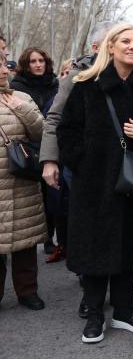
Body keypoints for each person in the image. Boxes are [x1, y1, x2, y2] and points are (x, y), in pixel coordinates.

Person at [57, 23, 133, 343]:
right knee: (94, 249)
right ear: (111, 46)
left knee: (127, 247)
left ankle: (122, 310)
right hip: (93, 184)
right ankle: (93, 313)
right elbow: (67, 130)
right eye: (125, 41)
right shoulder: (87, 84)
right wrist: (82, 163)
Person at [37, 21, 126, 319]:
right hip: (84, 169)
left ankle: (122, 296)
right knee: (90, 231)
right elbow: (54, 120)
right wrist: (51, 161)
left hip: (117, 167)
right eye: (114, 41)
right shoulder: (77, 77)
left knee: (118, 229)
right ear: (98, 47)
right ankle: (91, 297)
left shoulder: (129, 75)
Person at [0, 54, 47, 311]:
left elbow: (42, 131)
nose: (4, 70)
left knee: (25, 241)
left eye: (4, 65)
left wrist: (22, 109)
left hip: (22, 181)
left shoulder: (22, 97)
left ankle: (27, 291)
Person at [10, 48, 61, 260]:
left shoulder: (55, 84)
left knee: (53, 195)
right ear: (26, 64)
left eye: (41, 60)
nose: (38, 65)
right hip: (28, 147)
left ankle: (50, 237)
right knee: (34, 194)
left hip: (52, 145)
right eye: (33, 61)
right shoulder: (17, 87)